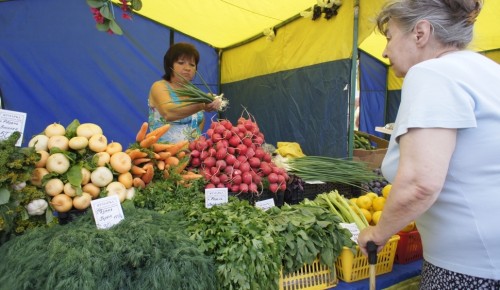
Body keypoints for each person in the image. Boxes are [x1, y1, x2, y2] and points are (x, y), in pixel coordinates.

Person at [357, 0, 500, 288]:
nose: (385, 51)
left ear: (420, 33)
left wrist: (379, 233)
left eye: (389, 37)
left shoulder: (431, 73)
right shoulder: (489, 71)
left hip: (470, 270)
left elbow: (420, 183)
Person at [148, 42, 220, 143]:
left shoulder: (195, 93)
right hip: (164, 156)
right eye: (181, 63)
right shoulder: (159, 86)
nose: (187, 68)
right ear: (170, 65)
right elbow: (168, 113)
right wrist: (201, 105)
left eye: (192, 64)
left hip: (192, 156)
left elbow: (198, 123)